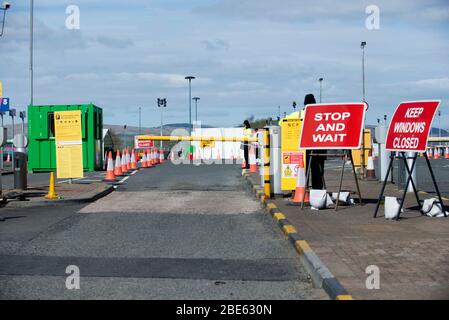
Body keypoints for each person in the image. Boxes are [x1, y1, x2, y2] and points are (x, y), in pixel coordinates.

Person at [304, 94, 326, 189]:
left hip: (306, 148)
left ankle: (304, 191)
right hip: (319, 148)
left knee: (304, 171)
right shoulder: (321, 115)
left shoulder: (302, 114)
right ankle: (317, 192)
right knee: (318, 172)